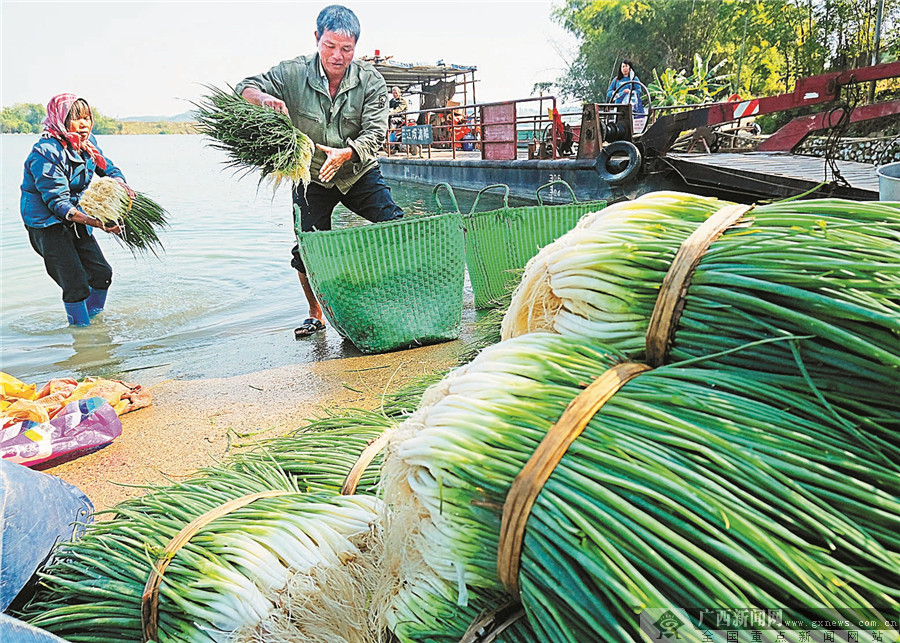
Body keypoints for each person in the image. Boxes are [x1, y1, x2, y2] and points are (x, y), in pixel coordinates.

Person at [236, 4, 403, 339]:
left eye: (346, 49)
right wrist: (263, 99)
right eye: (330, 46)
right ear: (317, 38)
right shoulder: (292, 72)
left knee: (397, 226)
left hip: (356, 170)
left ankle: (397, 296)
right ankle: (316, 314)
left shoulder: (372, 81)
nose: (337, 56)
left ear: (356, 47)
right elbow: (244, 86)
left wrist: (348, 153)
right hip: (311, 175)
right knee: (306, 250)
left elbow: (376, 132)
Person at [20, 94, 131, 327]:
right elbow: (57, 203)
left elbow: (109, 169)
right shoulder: (45, 152)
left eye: (87, 118)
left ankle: (93, 325)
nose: (84, 124)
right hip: (46, 223)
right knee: (75, 284)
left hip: (75, 216)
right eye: (76, 118)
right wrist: (97, 222)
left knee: (102, 275)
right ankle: (81, 333)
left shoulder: (88, 145)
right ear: (60, 120)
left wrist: (121, 186)